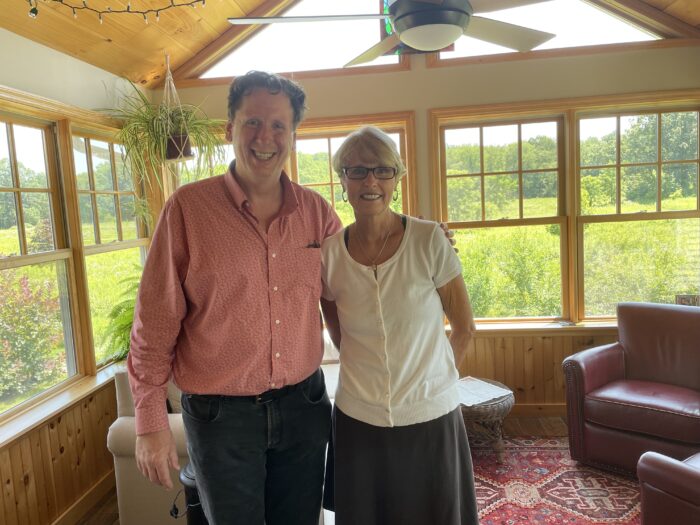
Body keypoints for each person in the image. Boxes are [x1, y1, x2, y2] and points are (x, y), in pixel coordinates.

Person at [127, 71, 343, 525]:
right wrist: (149, 422)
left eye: (279, 125)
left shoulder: (317, 213)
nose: (265, 138)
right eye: (252, 123)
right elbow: (155, 322)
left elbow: (357, 286)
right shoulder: (187, 210)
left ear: (292, 134)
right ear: (229, 129)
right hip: (220, 417)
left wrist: (418, 242)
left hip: (303, 407)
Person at [320, 126, 480, 525]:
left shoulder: (428, 240)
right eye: (356, 170)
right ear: (342, 179)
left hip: (431, 415)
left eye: (382, 170)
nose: (370, 181)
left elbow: (464, 327)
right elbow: (338, 330)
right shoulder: (329, 256)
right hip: (359, 419)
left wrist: (436, 379)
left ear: (397, 177)